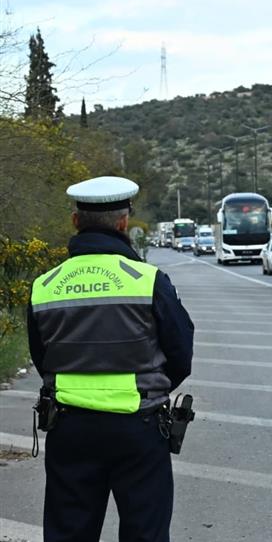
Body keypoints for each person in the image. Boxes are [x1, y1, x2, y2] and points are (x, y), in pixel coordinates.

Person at [27, 176, 195, 542]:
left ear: (75, 221)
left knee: (68, 532)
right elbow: (181, 355)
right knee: (145, 533)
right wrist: (150, 387)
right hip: (139, 428)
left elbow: (41, 357)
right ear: (123, 222)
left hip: (69, 428)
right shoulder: (148, 280)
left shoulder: (45, 285)